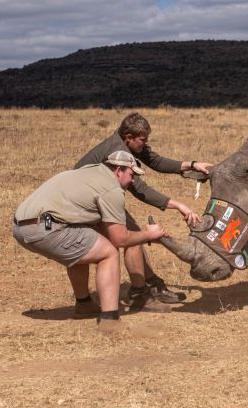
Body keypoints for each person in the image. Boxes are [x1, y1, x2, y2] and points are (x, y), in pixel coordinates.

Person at [12, 151, 166, 329]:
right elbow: (120, 238)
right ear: (118, 170)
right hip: (45, 228)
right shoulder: (111, 189)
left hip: (21, 227)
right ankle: (109, 320)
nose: (133, 181)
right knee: (108, 252)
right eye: (132, 175)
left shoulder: (89, 173)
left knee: (84, 243)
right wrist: (149, 235)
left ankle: (84, 304)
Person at [75, 113, 212, 308]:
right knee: (132, 238)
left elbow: (155, 161)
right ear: (129, 137)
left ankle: (152, 284)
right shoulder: (118, 152)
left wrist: (191, 165)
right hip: (86, 201)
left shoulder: (126, 144)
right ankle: (139, 294)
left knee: (135, 235)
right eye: (142, 140)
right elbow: (140, 190)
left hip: (97, 197)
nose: (145, 144)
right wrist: (179, 205)